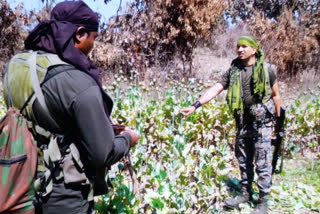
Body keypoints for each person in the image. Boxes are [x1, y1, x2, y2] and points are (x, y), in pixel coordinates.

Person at [3, 1, 139, 214]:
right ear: (80, 34)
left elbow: (46, 118)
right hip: (64, 195)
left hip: (20, 184)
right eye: (93, 38)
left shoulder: (17, 65)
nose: (93, 45)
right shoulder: (79, 84)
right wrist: (128, 139)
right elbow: (102, 154)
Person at [180, 36, 281, 214]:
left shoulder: (267, 69)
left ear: (254, 50)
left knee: (263, 161)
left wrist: (278, 122)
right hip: (243, 122)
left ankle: (263, 200)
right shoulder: (234, 70)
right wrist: (195, 105)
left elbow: (275, 94)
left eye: (244, 46)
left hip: (262, 123)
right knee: (243, 160)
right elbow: (216, 88)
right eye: (238, 46)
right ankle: (245, 193)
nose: (240, 49)